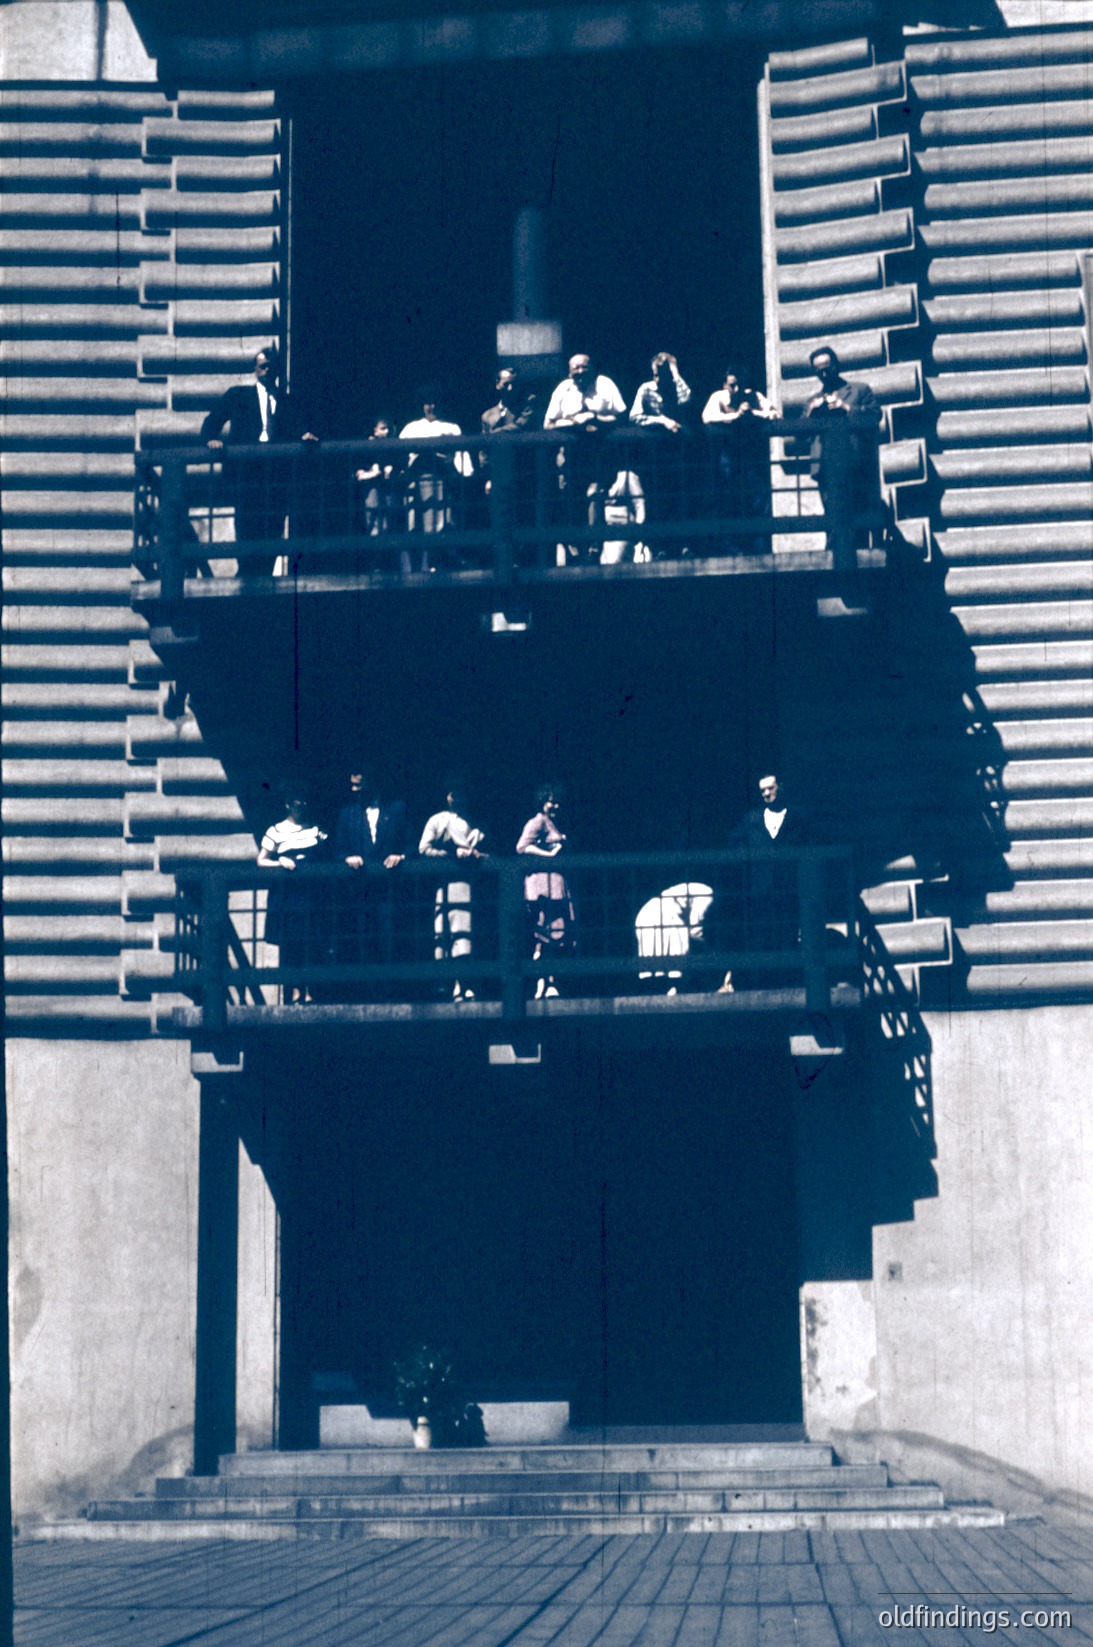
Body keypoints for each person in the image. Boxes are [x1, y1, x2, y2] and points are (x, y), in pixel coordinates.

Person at [200, 348, 318, 574]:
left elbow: (298, 426)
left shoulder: (287, 401)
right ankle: (247, 578)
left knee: (273, 531)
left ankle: (262, 576)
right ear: (255, 369)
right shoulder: (238, 396)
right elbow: (212, 421)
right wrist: (211, 439)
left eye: (271, 366)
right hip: (247, 476)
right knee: (247, 531)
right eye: (263, 366)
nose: (267, 370)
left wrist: (304, 435)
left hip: (276, 479)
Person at [718, 773, 811, 995]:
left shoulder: (798, 818)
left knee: (788, 936)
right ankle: (764, 985)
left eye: (771, 788)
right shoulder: (752, 820)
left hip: (789, 891)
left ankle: (788, 984)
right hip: (760, 893)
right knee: (762, 937)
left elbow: (810, 845)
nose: (767, 794)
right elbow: (732, 845)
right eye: (762, 791)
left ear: (780, 787)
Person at [544, 355, 626, 562]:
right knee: (570, 500)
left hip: (599, 453)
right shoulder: (563, 389)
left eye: (584, 367)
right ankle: (574, 551)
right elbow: (548, 424)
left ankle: (593, 548)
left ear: (592, 369)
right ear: (569, 371)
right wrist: (573, 422)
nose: (580, 372)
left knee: (595, 493)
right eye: (575, 368)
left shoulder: (605, 385)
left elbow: (621, 416)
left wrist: (595, 418)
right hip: (570, 456)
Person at [333, 770, 408, 991]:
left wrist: (400, 856)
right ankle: (365, 990)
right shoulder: (347, 814)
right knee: (362, 937)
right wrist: (347, 858)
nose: (353, 789)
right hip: (360, 890)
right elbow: (339, 849)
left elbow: (410, 844)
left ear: (371, 783)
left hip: (389, 888)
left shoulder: (396, 809)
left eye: (358, 785)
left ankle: (389, 989)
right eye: (352, 785)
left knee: (389, 936)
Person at [803, 346, 882, 548]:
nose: (824, 374)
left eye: (827, 368)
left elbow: (875, 416)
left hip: (854, 464)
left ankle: (859, 555)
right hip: (825, 467)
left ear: (836, 365)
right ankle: (833, 554)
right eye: (819, 370)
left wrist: (846, 408)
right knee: (832, 517)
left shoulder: (859, 390)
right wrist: (811, 414)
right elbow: (800, 436)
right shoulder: (813, 401)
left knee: (857, 515)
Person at [258, 790, 329, 1004]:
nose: (301, 807)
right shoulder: (275, 831)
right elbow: (261, 860)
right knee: (291, 944)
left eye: (304, 803)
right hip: (288, 895)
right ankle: (295, 989)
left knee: (310, 942)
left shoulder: (315, 829)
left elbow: (326, 853)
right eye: (298, 803)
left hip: (310, 894)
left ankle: (309, 989)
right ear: (288, 804)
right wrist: (279, 862)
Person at [418, 784, 487, 1003]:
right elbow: (424, 849)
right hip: (448, 884)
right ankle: (455, 984)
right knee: (450, 934)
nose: (456, 799)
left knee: (468, 934)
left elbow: (490, 851)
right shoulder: (438, 820)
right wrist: (451, 854)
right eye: (452, 794)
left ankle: (467, 983)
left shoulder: (476, 823)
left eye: (460, 793)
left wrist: (476, 855)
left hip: (473, 886)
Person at [702, 370, 777, 545]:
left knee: (758, 499)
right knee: (729, 498)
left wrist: (753, 413)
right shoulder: (718, 397)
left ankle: (759, 544)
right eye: (732, 385)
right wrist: (735, 417)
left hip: (751, 457)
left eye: (740, 385)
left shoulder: (754, 396)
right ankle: (732, 546)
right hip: (728, 457)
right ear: (724, 385)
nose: (737, 389)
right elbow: (707, 418)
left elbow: (775, 414)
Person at [399, 392, 472, 570]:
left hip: (441, 480)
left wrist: (463, 473)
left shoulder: (451, 427)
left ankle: (437, 564)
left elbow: (461, 458)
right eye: (428, 403)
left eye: (435, 402)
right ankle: (417, 567)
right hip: (416, 480)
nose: (431, 407)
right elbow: (400, 455)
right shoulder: (411, 428)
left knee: (441, 523)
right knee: (414, 524)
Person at [629, 353, 693, 557]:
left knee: (680, 499)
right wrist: (662, 420)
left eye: (662, 374)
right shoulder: (646, 389)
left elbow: (686, 398)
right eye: (655, 374)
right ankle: (660, 547)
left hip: (677, 454)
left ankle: (683, 545)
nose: (657, 379)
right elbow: (635, 416)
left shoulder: (676, 388)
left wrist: (675, 373)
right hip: (654, 454)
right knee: (656, 499)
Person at [516, 784, 575, 999]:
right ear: (542, 802)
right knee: (544, 934)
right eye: (551, 801)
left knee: (552, 934)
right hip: (543, 886)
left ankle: (546, 982)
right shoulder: (538, 821)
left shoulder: (554, 824)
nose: (555, 805)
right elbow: (522, 846)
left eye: (557, 801)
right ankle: (545, 982)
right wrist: (548, 855)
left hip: (555, 885)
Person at [635, 881, 714, 995]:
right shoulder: (708, 895)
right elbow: (695, 928)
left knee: (655, 968)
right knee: (676, 969)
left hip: (646, 914)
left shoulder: (701, 890)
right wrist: (710, 952)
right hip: (664, 915)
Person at [356, 418, 403, 544]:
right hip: (371, 487)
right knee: (373, 516)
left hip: (388, 487)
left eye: (388, 429)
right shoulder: (366, 447)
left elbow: (399, 465)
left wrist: (391, 469)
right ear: (375, 431)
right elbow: (359, 471)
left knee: (389, 517)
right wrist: (371, 473)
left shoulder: (392, 447)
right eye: (383, 429)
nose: (386, 431)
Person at [481, 367, 539, 436]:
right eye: (506, 384)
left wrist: (495, 432)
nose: (510, 388)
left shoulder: (528, 405)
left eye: (514, 384)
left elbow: (521, 426)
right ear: (497, 384)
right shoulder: (487, 416)